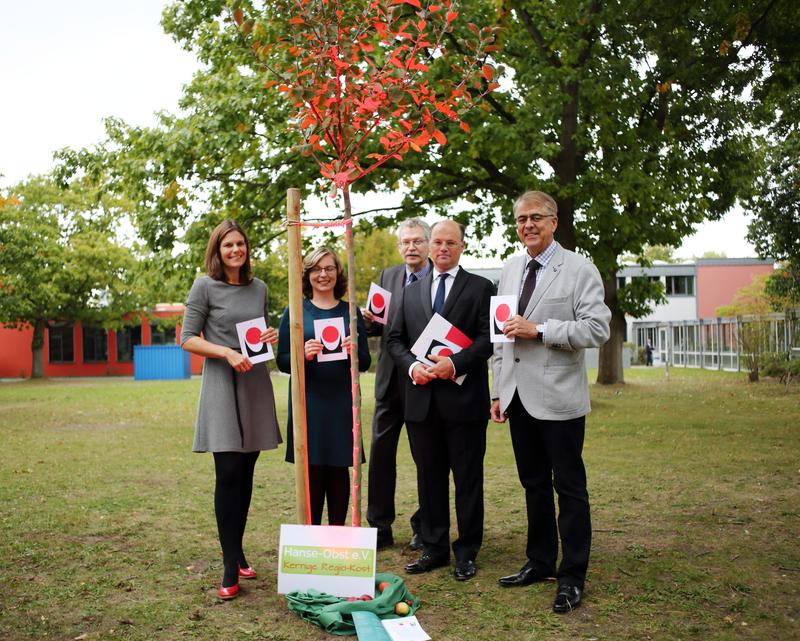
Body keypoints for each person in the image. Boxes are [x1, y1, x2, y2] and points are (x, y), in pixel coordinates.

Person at [490, 191, 611, 613]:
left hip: (559, 398)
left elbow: (596, 329)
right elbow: (502, 335)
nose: (527, 226)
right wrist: (497, 390)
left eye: (535, 218)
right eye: (521, 219)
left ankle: (572, 575)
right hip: (518, 397)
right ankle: (539, 561)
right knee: (533, 485)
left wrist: (539, 330)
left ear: (554, 222)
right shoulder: (509, 268)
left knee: (570, 488)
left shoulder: (579, 268)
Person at [386, 220, 494, 581]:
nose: (443, 248)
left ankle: (466, 551)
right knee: (428, 478)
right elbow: (394, 340)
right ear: (430, 246)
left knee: (467, 479)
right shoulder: (410, 291)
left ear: (462, 246)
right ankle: (434, 547)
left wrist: (455, 363)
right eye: (438, 242)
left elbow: (487, 340)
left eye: (451, 242)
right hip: (421, 401)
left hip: (464, 402)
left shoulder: (480, 288)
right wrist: (412, 366)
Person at [180, 219, 282, 601]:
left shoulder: (260, 289)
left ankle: (238, 550)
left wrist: (269, 336)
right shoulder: (204, 286)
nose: (236, 250)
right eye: (228, 245)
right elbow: (187, 339)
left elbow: (256, 333)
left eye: (240, 244)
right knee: (228, 471)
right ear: (217, 251)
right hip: (222, 384)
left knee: (247, 469)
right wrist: (224, 352)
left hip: (255, 383)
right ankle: (228, 562)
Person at [277, 247, 371, 526]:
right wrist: (302, 355)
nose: (323, 274)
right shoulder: (294, 311)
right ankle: (312, 539)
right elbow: (282, 361)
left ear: (338, 273)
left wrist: (354, 351)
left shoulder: (350, 311)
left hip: (342, 401)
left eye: (329, 268)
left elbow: (365, 361)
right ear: (307, 275)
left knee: (339, 470)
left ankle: (337, 540)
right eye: (317, 269)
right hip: (309, 401)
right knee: (313, 470)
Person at [363, 218, 432, 550]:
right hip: (389, 380)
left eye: (418, 241)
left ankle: (425, 523)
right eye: (405, 242)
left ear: (429, 244)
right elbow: (380, 329)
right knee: (380, 454)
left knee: (426, 456)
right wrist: (367, 322)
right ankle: (378, 525)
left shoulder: (439, 278)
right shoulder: (387, 276)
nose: (411, 247)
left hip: (424, 378)